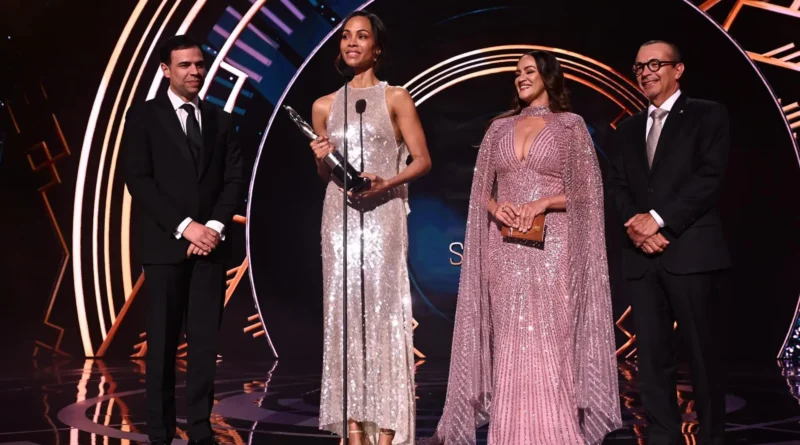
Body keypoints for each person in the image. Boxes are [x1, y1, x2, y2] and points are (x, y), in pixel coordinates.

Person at [431, 50, 621, 444]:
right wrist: (496, 208)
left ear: (548, 76)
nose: (521, 77)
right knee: (510, 340)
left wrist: (543, 202)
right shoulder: (498, 128)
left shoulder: (569, 126)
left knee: (551, 336)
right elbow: (479, 191)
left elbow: (588, 193)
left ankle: (555, 432)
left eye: (529, 70)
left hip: (554, 247)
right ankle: (509, 433)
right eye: (517, 72)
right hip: (504, 249)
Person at [308, 10, 432, 445]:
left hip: (384, 216)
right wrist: (320, 158)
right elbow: (326, 175)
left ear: (377, 48)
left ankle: (389, 431)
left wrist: (386, 182)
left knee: (383, 315)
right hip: (339, 220)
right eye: (346, 36)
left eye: (362, 36)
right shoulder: (323, 106)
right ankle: (355, 431)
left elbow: (422, 160)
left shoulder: (395, 97)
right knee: (344, 317)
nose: (352, 43)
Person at [122, 35, 244, 445]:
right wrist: (187, 226)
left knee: (204, 344)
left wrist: (213, 228)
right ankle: (159, 432)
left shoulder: (221, 120)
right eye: (185, 65)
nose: (195, 71)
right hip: (165, 247)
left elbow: (233, 181)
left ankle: (200, 429)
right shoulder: (143, 117)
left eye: (199, 64)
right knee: (161, 344)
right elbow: (139, 179)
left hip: (211, 248)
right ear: (165, 70)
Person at [607, 40, 729, 445]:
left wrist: (658, 221)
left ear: (678, 69)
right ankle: (662, 438)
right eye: (639, 66)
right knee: (652, 358)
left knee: (702, 355)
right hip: (642, 258)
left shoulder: (707, 114)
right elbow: (618, 186)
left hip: (691, 252)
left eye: (655, 64)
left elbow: (709, 178)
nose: (646, 72)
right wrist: (637, 227)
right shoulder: (627, 129)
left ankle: (712, 437)